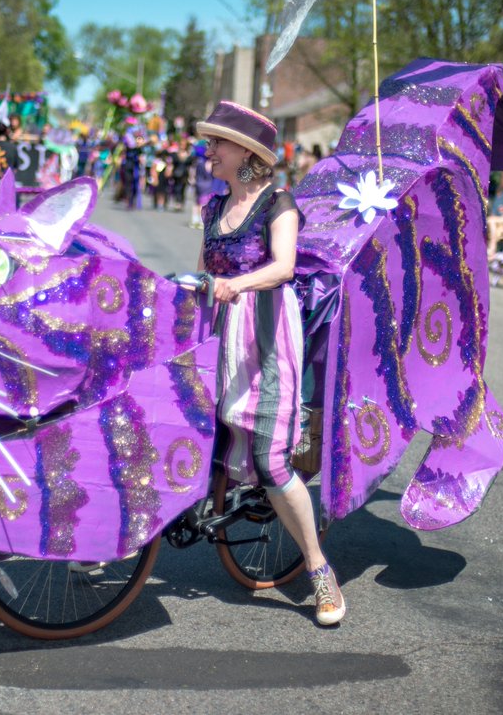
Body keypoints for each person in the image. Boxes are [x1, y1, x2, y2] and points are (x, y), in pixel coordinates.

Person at [194, 101, 344, 626]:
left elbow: (282, 267)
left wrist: (235, 284)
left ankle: (320, 571)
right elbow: (202, 272)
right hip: (218, 337)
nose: (208, 151)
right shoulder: (213, 209)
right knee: (197, 434)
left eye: (217, 143)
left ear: (246, 153)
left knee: (272, 459)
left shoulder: (278, 203)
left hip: (265, 336)